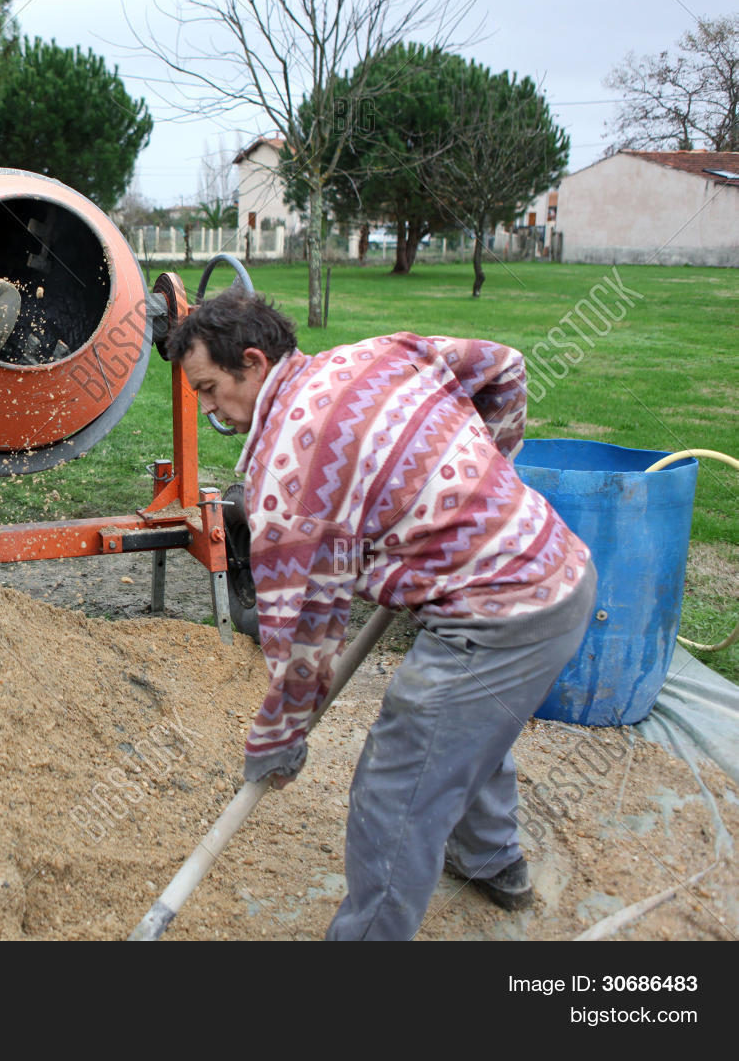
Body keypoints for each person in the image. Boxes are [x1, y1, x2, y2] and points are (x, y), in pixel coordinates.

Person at [165, 287, 597, 940]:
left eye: (207, 388)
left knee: (397, 791)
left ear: (252, 361)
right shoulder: (378, 355)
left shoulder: (286, 470)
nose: (206, 407)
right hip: (561, 573)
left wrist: (278, 741)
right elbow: (504, 366)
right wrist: (489, 474)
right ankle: (492, 863)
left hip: (497, 616)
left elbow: (305, 643)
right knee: (467, 727)